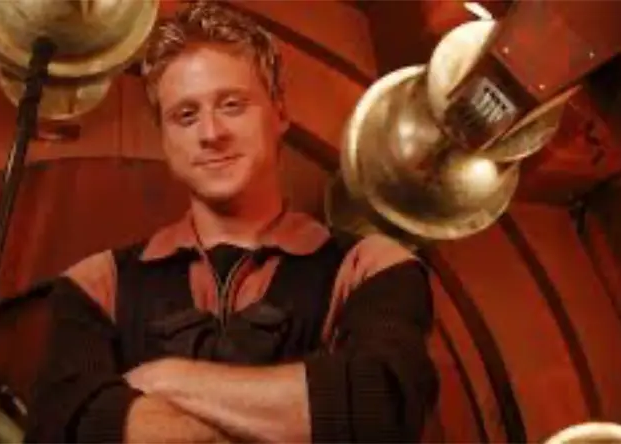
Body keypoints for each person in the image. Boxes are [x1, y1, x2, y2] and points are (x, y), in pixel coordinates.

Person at [24, 1, 439, 442]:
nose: (211, 133)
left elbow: (380, 408)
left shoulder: (372, 267)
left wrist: (166, 379)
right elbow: (65, 427)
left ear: (279, 112)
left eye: (232, 105)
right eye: (186, 115)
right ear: (164, 137)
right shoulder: (94, 285)